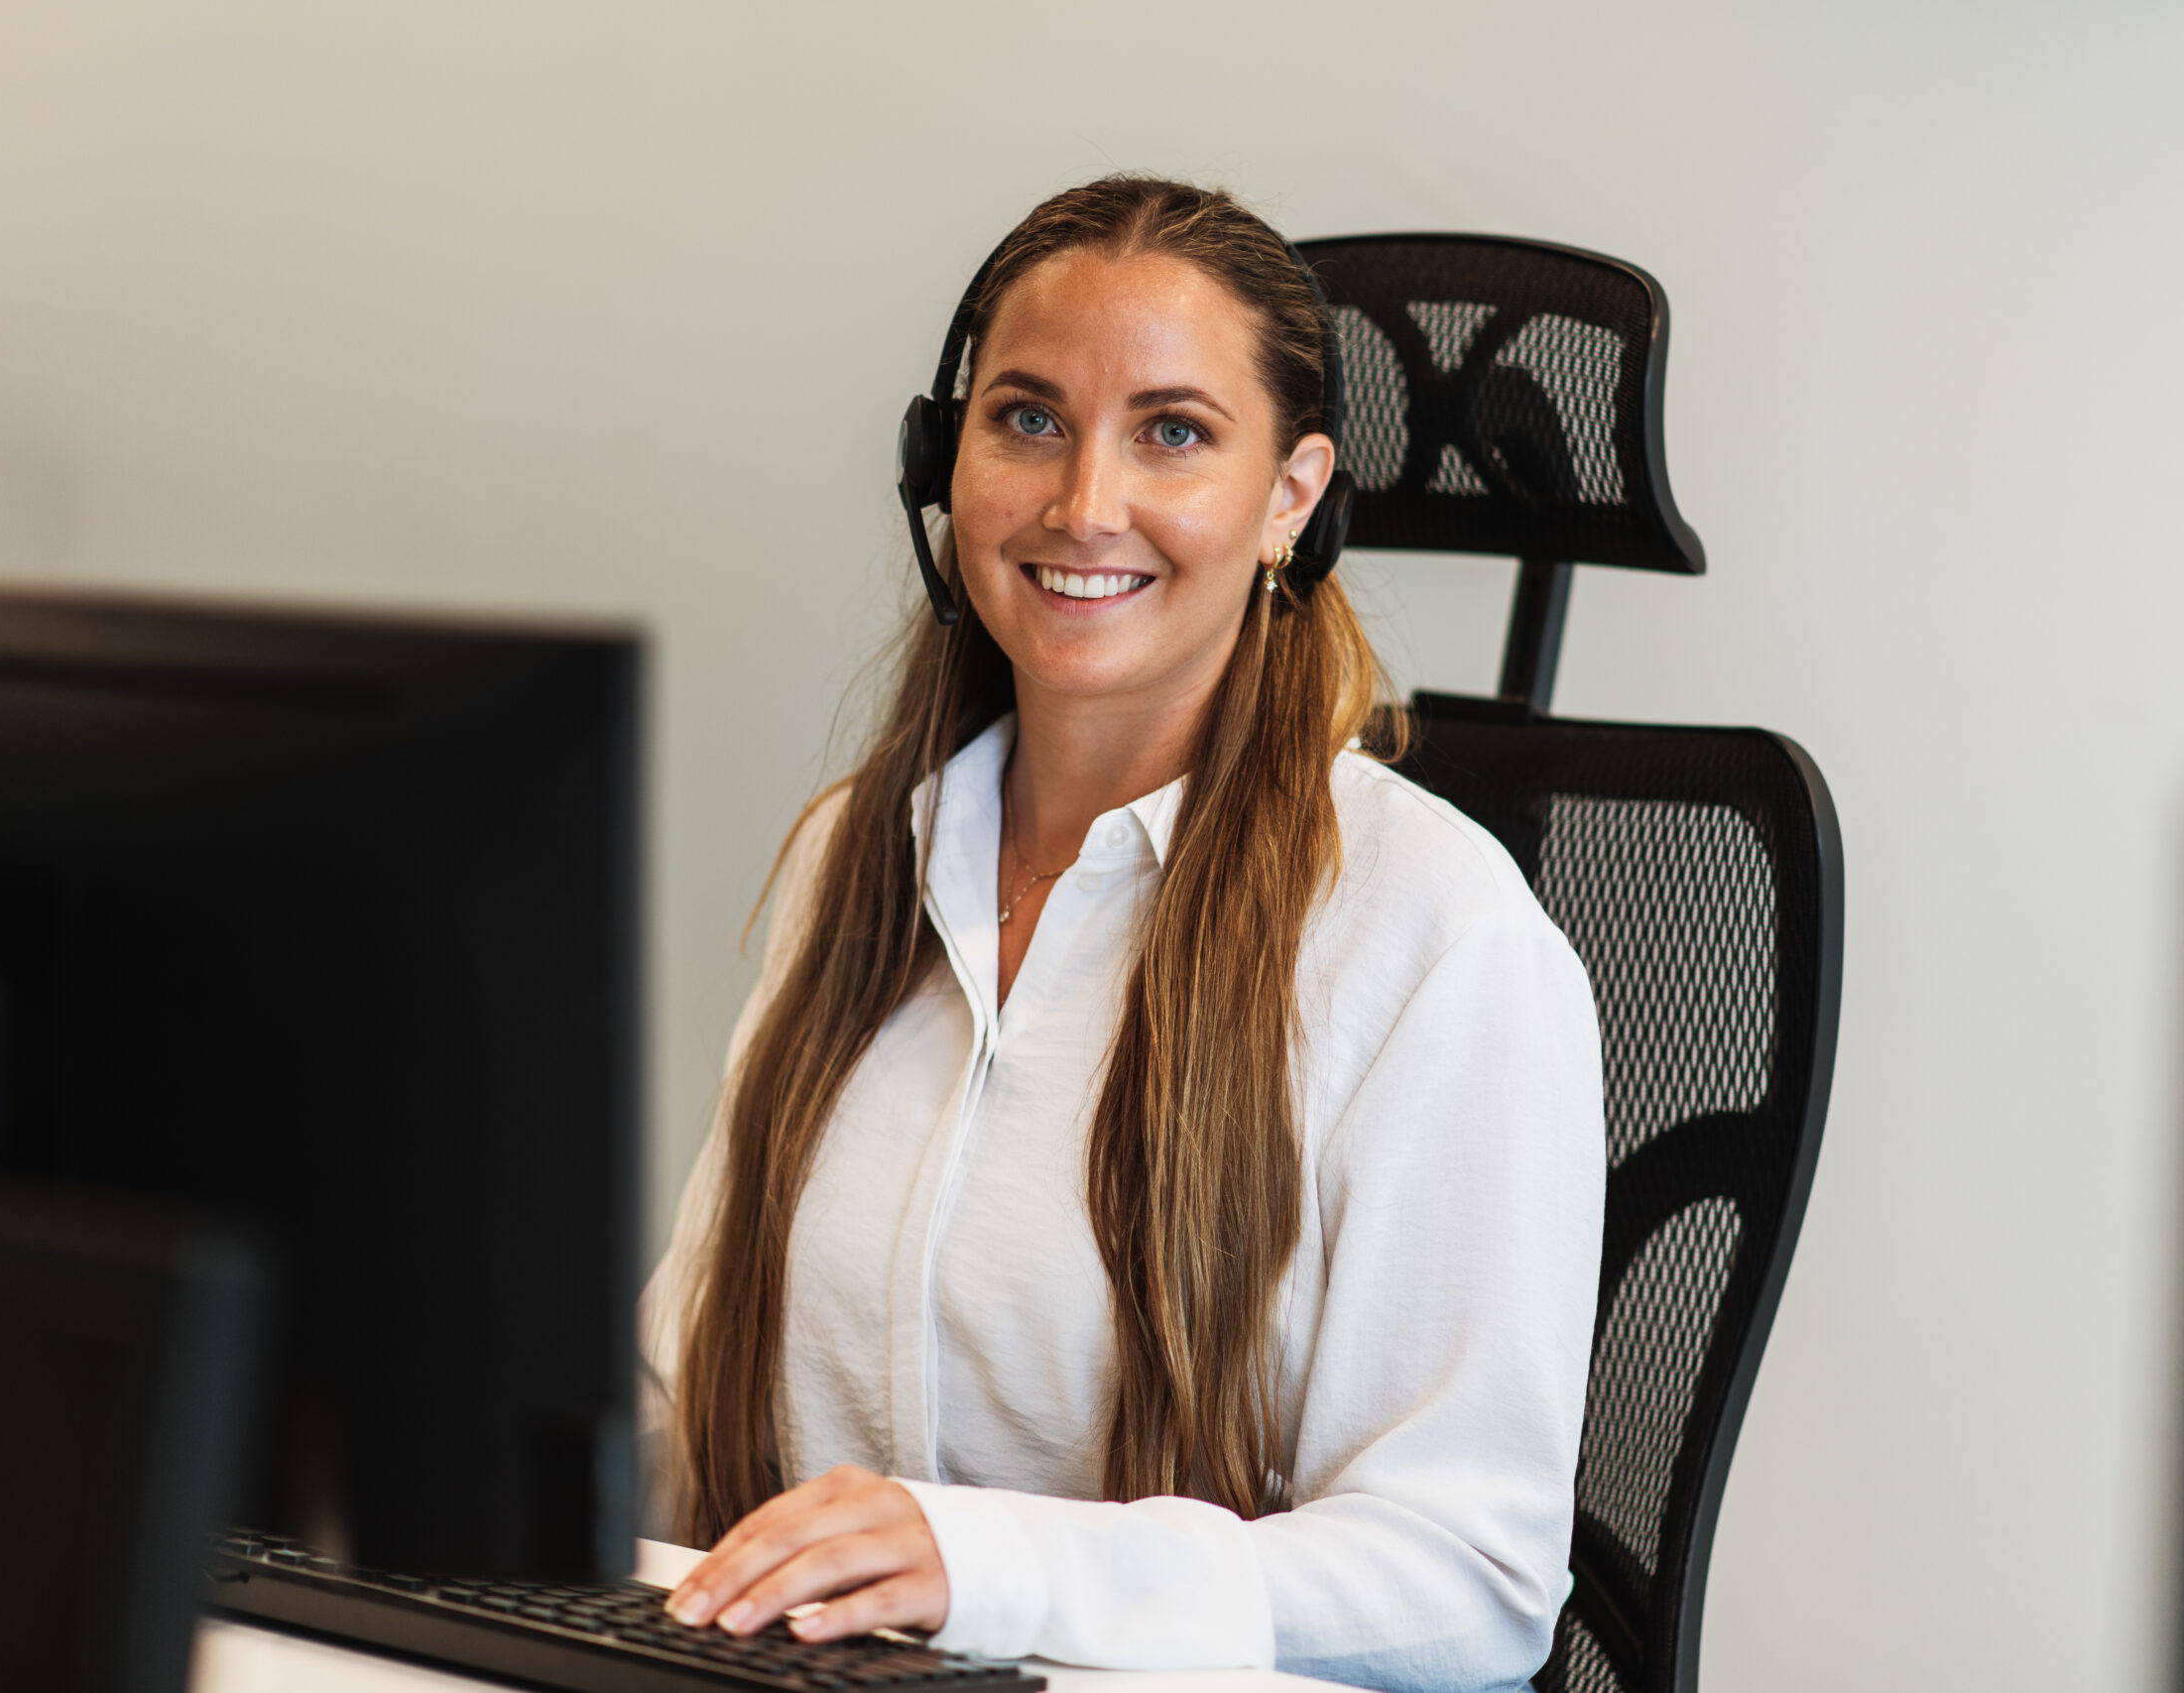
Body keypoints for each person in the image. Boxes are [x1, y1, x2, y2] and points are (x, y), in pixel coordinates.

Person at [640, 176, 1604, 1693]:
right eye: (1027, 418)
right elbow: (677, 1391)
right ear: (938, 464)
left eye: (1172, 432)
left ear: (1290, 496)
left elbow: (1468, 1582)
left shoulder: (1435, 935)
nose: (1084, 504)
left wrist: (994, 1567)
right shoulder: (858, 858)